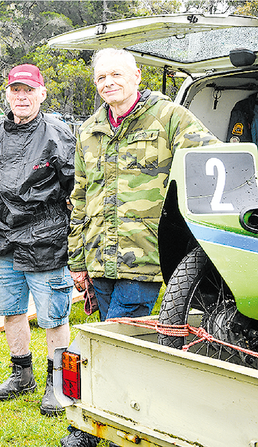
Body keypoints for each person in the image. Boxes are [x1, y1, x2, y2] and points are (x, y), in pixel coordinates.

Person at [61, 48, 219, 447]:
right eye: (101, 78)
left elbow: (213, 160)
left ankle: (98, 429)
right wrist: (77, 262)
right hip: (98, 259)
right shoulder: (90, 130)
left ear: (136, 76)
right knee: (105, 339)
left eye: (116, 74)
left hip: (145, 258)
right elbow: (79, 198)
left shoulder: (168, 117)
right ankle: (99, 423)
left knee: (114, 343)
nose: (108, 83)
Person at [0, 64, 75, 417]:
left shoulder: (58, 134)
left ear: (42, 93)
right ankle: (21, 373)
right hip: (1, 236)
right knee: (9, 309)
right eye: (16, 90)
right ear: (7, 94)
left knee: (53, 315)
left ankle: (58, 384)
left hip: (45, 237)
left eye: (29, 90)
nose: (22, 96)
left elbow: (75, 186)